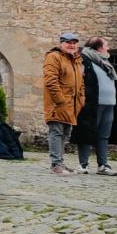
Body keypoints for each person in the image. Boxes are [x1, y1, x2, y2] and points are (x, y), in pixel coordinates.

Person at [72, 37, 117, 176]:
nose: (108, 48)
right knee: (87, 133)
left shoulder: (104, 61)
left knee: (103, 136)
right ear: (98, 48)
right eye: (106, 45)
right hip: (92, 103)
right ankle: (83, 164)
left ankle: (103, 165)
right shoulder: (84, 60)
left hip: (109, 104)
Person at [43, 32, 85, 175]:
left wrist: (81, 99)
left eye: (74, 43)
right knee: (56, 131)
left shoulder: (76, 60)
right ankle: (56, 164)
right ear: (61, 43)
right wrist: (60, 100)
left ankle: (60, 162)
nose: (71, 45)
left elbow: (81, 83)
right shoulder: (53, 57)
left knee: (66, 133)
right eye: (68, 42)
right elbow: (51, 81)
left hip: (72, 105)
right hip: (58, 104)